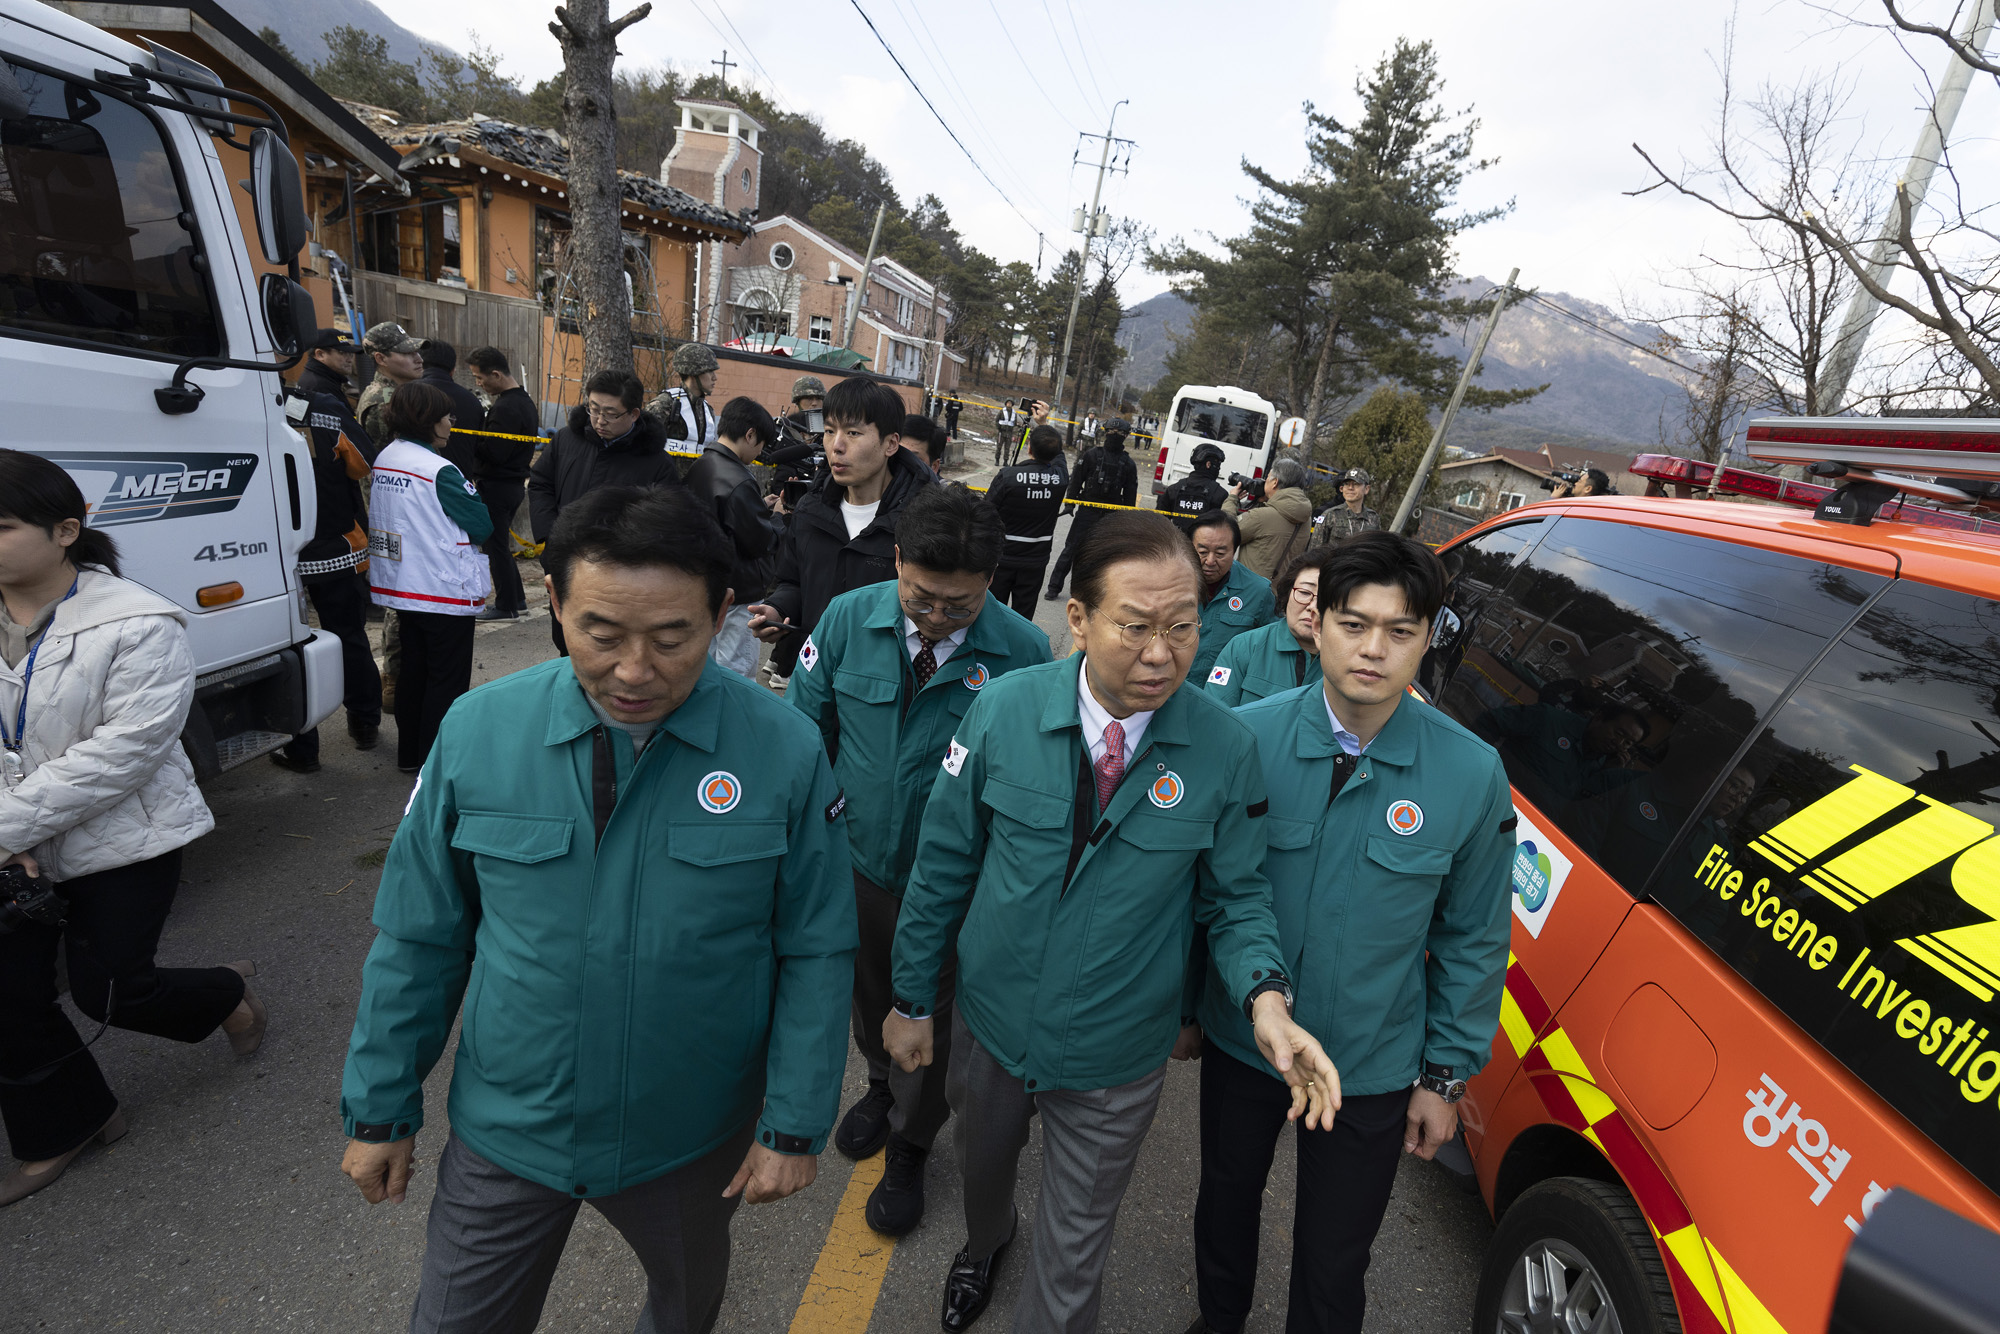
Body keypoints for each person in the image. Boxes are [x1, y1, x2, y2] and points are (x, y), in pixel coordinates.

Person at [338, 485, 855, 1334]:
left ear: (722, 613)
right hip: (510, 1130)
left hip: (691, 1136)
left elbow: (817, 947)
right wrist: (380, 1106)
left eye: (672, 637)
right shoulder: (476, 732)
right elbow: (419, 938)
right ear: (554, 602)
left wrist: (794, 1122)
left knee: (684, 1309)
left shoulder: (786, 750)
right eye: (601, 634)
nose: (634, 671)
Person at [886, 511, 1340, 1333]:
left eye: (1182, 627)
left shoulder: (1225, 747)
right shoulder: (1003, 711)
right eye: (1134, 627)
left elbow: (1237, 899)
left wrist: (1266, 1002)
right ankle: (986, 1241)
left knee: (1074, 1256)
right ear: (1080, 618)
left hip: (1116, 1051)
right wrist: (914, 998)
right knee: (983, 1176)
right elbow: (944, 862)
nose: (1161, 654)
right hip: (990, 1025)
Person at [1185, 532, 1514, 1334]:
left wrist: (1444, 1079)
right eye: (1353, 623)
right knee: (1226, 1199)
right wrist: (1191, 1010)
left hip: (1371, 1064)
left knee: (1337, 1254)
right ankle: (1217, 1319)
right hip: (1247, 1040)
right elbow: (1211, 893)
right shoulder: (1246, 739)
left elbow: (1474, 935)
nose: (1373, 649)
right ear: (1317, 622)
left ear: (1429, 638)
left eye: (1400, 631)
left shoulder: (1470, 773)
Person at [0, 451, 266, 1207]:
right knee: (11, 997)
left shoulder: (137, 622)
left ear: (64, 531)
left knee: (111, 990)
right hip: (14, 842)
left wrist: (5, 827)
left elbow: (124, 752)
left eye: (2, 526)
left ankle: (225, 998)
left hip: (124, 838)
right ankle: (72, 1124)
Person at [789, 485, 1049, 1239]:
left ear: (994, 580)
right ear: (897, 559)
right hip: (859, 865)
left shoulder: (1024, 656)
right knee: (870, 998)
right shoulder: (847, 619)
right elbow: (807, 734)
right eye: (921, 598)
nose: (936, 617)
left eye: (959, 606)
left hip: (958, 889)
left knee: (927, 1014)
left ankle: (912, 1139)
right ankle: (878, 1082)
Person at [748, 378, 933, 686]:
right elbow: (795, 581)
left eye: (853, 433)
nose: (836, 445)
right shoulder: (810, 510)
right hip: (813, 678)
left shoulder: (923, 519)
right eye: (830, 431)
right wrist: (778, 608)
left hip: (886, 687)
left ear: (890, 443)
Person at [367, 381, 492, 773]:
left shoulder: (387, 457)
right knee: (446, 679)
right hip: (442, 590)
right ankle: (436, 764)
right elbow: (481, 524)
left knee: (413, 673)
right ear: (429, 421)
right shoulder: (438, 469)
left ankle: (410, 755)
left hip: (403, 588)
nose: (451, 424)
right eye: (446, 416)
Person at [273, 358, 382, 770]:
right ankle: (365, 724)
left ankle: (302, 749)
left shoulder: (234, 415)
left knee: (288, 647)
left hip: (270, 556)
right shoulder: (322, 408)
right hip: (334, 545)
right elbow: (362, 463)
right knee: (350, 638)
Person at [528, 370, 681, 654]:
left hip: (618, 577)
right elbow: (540, 484)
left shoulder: (656, 462)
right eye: (593, 409)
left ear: (634, 414)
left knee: (607, 645)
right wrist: (549, 535)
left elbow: (665, 519)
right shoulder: (566, 440)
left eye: (611, 414)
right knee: (566, 641)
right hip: (564, 559)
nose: (599, 420)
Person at [688, 396, 788, 678]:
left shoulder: (702, 466)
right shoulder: (739, 480)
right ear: (750, 434)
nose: (759, 451)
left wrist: (759, 505)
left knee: (706, 666)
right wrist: (779, 517)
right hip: (740, 592)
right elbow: (761, 541)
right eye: (760, 444)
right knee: (737, 671)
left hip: (707, 585)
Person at [464, 346, 539, 621]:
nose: (478, 384)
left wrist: (472, 439)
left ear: (496, 374)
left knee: (495, 547)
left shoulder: (506, 407)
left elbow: (496, 451)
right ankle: (517, 599)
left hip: (497, 484)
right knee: (500, 546)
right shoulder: (523, 401)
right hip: (512, 483)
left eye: (479, 378)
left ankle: (506, 605)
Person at [1203, 548, 1328, 706]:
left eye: (1325, 598)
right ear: (1287, 594)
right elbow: (1214, 714)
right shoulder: (1244, 648)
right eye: (1304, 592)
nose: (1313, 607)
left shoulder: (1345, 659)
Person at [1044, 416, 1138, 601]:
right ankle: (1054, 587)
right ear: (1105, 432)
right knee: (1070, 550)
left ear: (1125, 436)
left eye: (1119, 433)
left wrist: (1127, 519)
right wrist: (1070, 503)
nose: (1115, 435)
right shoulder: (1091, 455)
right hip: (1088, 510)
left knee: (1106, 556)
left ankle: (1096, 593)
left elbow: (1130, 494)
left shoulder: (1128, 464)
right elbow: (1076, 480)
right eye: (1111, 432)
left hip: (1112, 515)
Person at [983, 424, 1068, 616]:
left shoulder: (1008, 476)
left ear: (1029, 448)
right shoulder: (1060, 478)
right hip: (1035, 560)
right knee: (1024, 615)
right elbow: (1060, 459)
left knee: (992, 612)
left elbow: (985, 512)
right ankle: (1020, 645)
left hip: (1002, 557)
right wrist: (1045, 422)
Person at [1188, 511, 1276, 685]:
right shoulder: (1169, 583)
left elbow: (1271, 650)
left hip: (1222, 696)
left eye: (1220, 554)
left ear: (1235, 551)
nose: (1210, 561)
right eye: (1202, 551)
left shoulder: (1258, 592)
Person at [1224, 458, 1313, 579]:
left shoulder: (1260, 517)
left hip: (1250, 589)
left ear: (1275, 482)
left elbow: (1225, 533)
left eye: (1267, 478)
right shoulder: (1305, 518)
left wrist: (1232, 499)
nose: (1264, 481)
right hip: (1279, 591)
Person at [417, 339, 486, 478]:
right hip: (459, 483)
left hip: (417, 482)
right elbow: (479, 446)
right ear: (453, 370)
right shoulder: (472, 401)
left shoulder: (407, 395)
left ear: (420, 364)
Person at [356, 321, 424, 449]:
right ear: (381, 359)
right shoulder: (384, 401)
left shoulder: (395, 393)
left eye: (417, 351)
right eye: (407, 353)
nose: (419, 359)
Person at [647, 341, 721, 452]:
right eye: (709, 371)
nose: (714, 378)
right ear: (693, 372)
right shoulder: (664, 405)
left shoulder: (707, 410)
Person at [1160, 444, 1231, 534]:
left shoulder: (1173, 489)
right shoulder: (1220, 494)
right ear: (1208, 464)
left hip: (1177, 545)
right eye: (1217, 467)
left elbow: (1159, 523)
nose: (1218, 470)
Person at [297, 326, 363, 411]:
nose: (350, 360)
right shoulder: (320, 387)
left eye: (350, 353)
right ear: (320, 355)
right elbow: (344, 422)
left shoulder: (321, 379)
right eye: (342, 352)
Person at [1311, 469, 1380, 547]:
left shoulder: (1373, 518)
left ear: (1366, 489)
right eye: (1347, 484)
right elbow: (1314, 551)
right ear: (1342, 488)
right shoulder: (1330, 515)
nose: (1350, 488)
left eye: (1356, 484)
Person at [994, 400, 1017, 466]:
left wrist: (1014, 430)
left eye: (1010, 403)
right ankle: (997, 460)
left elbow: (1014, 423)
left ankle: (1005, 461)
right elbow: (997, 420)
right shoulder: (1002, 411)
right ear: (1006, 404)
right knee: (999, 447)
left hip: (1009, 433)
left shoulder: (1014, 413)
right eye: (1008, 403)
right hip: (1001, 432)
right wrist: (999, 428)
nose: (1009, 404)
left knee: (1007, 448)